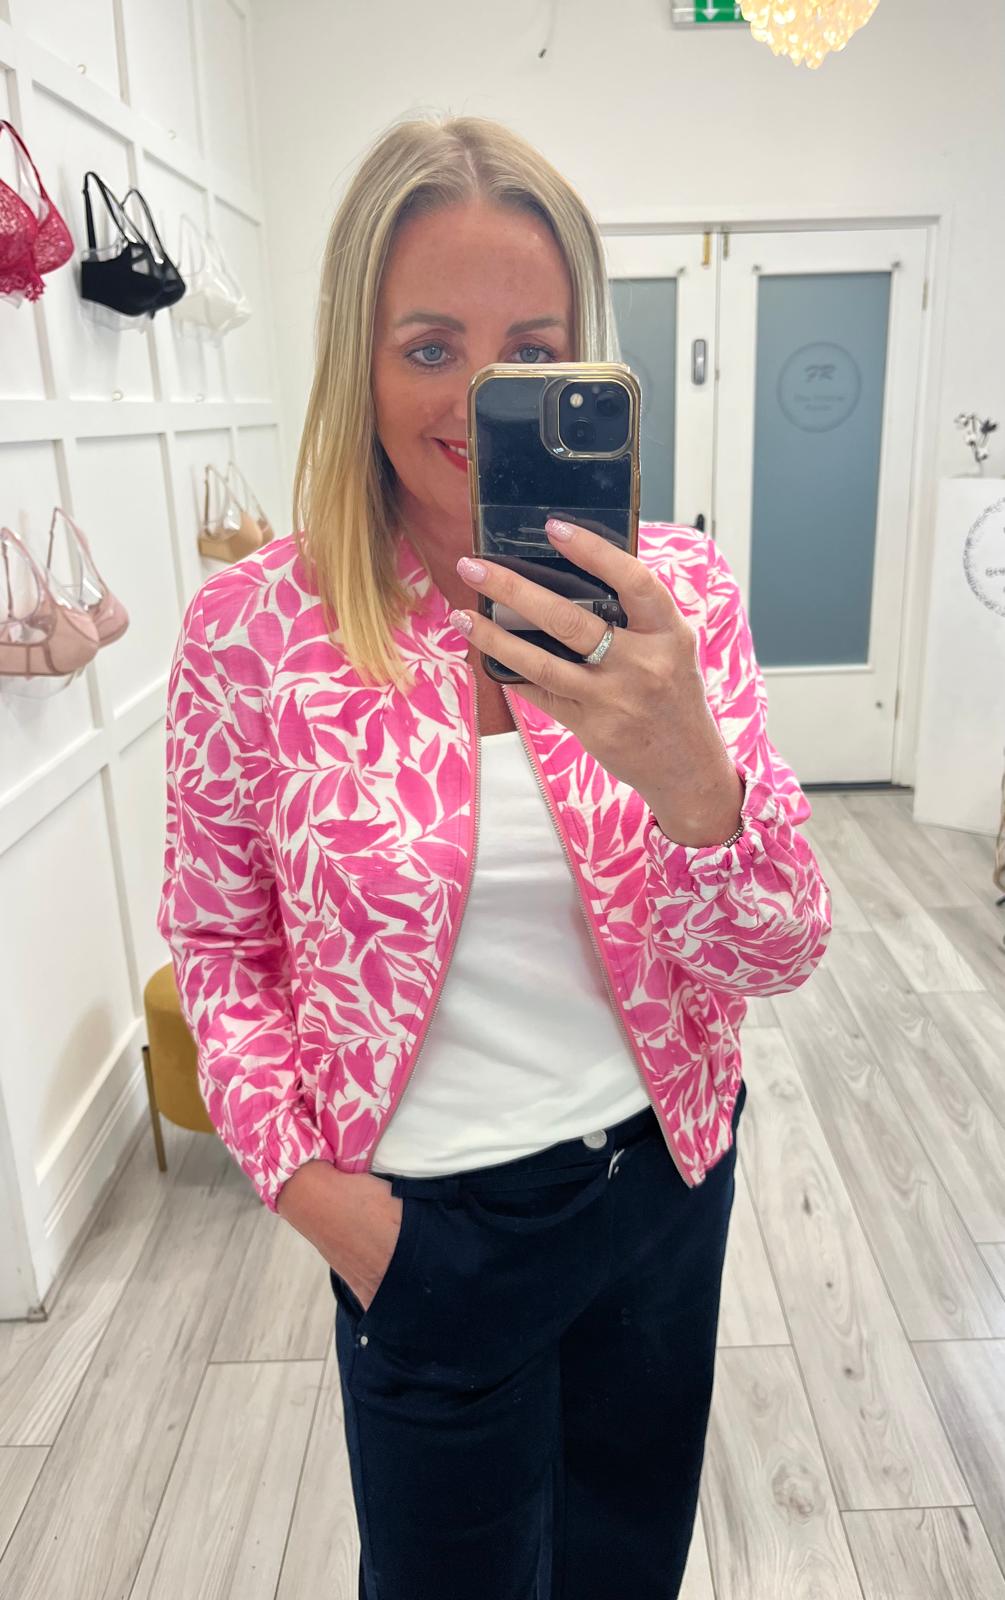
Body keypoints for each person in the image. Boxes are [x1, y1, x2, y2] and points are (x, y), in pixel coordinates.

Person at [157, 113, 831, 1600]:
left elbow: (780, 951)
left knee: (624, 1570)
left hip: (662, 1187)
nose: (476, 396)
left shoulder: (679, 602)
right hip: (420, 1226)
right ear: (357, 359)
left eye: (527, 351)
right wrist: (321, 1200)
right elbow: (217, 943)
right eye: (427, 346)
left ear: (585, 361)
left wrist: (695, 782)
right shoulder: (255, 630)